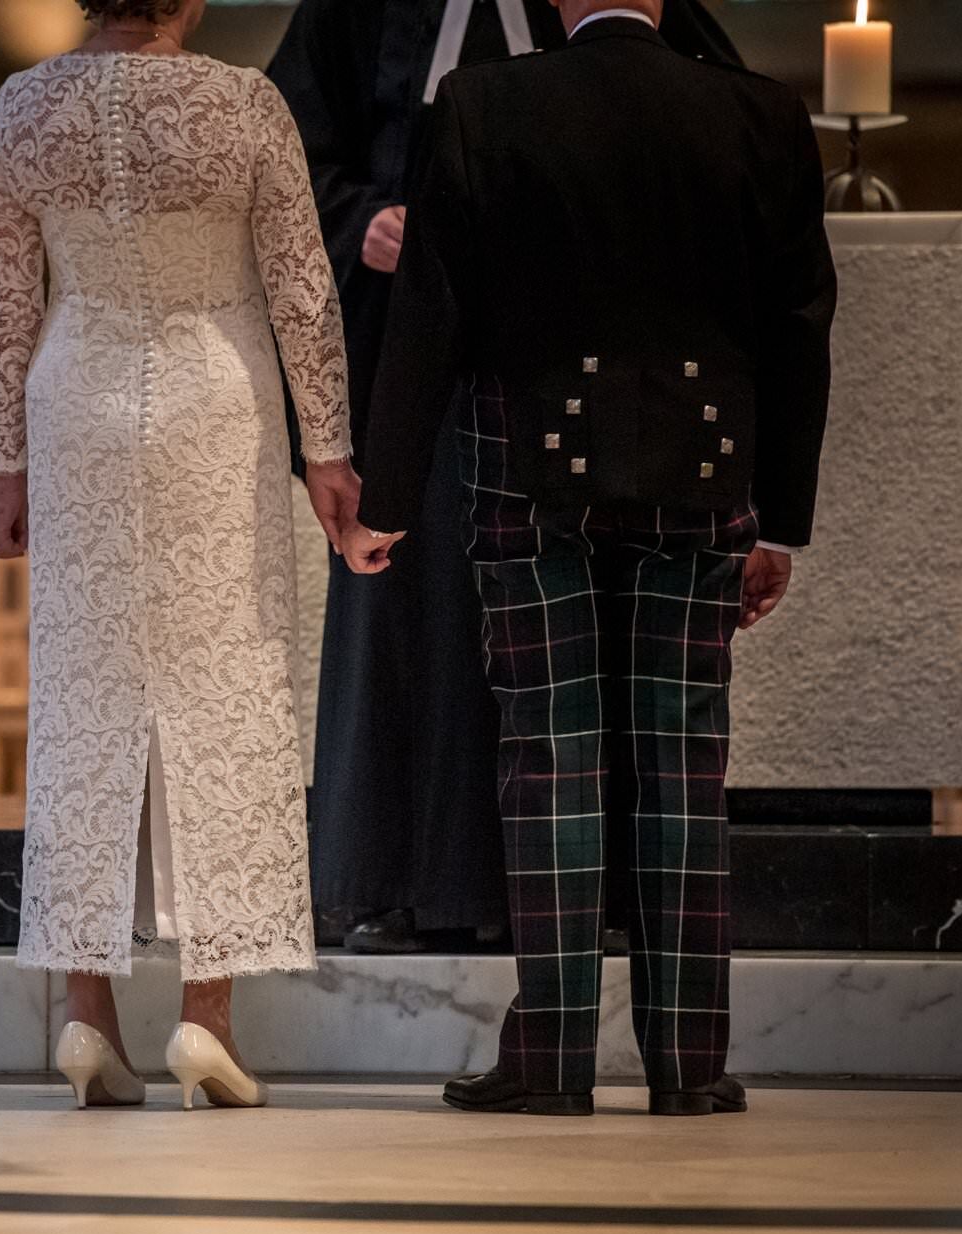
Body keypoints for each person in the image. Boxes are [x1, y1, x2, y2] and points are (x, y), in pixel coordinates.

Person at [341, 0, 835, 1115]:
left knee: (548, 757)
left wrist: (387, 493)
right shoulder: (757, 112)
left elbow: (430, 307)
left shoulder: (481, 104)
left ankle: (554, 1059)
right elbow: (799, 320)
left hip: (526, 468)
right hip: (704, 477)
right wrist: (781, 517)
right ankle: (687, 1064)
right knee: (680, 761)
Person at [275, 0, 743, 955]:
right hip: (410, 349)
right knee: (411, 597)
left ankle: (571, 897)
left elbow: (704, 113)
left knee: (568, 621)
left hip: (575, 359)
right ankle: (398, 884)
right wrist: (363, 219)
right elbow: (285, 163)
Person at [0, 0, 352, 1109]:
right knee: (221, 683)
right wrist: (326, 446)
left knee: (85, 692)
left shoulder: (20, 107)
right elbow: (300, 288)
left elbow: (4, 296)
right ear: (186, 0)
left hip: (75, 404)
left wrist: (5, 464)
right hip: (211, 405)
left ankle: (86, 1016)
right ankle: (206, 1016)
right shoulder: (241, 105)